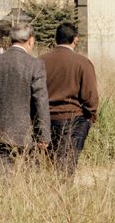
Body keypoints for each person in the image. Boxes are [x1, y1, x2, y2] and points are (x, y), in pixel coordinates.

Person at [0, 23, 51, 171]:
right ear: (31, 41)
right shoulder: (35, 64)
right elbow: (40, 101)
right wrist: (44, 135)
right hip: (27, 132)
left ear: (10, 40)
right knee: (29, 177)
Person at [40, 22, 99, 175]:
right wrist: (91, 115)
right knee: (68, 162)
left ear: (56, 39)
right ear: (75, 39)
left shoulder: (40, 61)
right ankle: (65, 191)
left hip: (45, 119)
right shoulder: (82, 63)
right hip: (74, 119)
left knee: (49, 162)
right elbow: (90, 96)